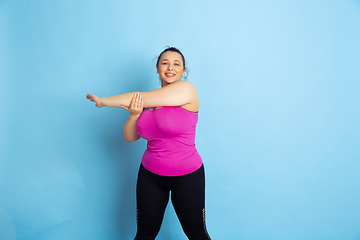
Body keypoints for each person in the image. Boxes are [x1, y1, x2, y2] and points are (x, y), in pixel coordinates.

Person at [86, 47, 211, 240]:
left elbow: (140, 97)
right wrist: (134, 115)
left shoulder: (187, 90)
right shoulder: (147, 103)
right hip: (150, 176)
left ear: (184, 71)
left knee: (196, 234)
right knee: (144, 234)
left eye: (176, 64)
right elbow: (130, 137)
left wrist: (103, 101)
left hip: (187, 176)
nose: (170, 67)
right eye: (165, 63)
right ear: (157, 68)